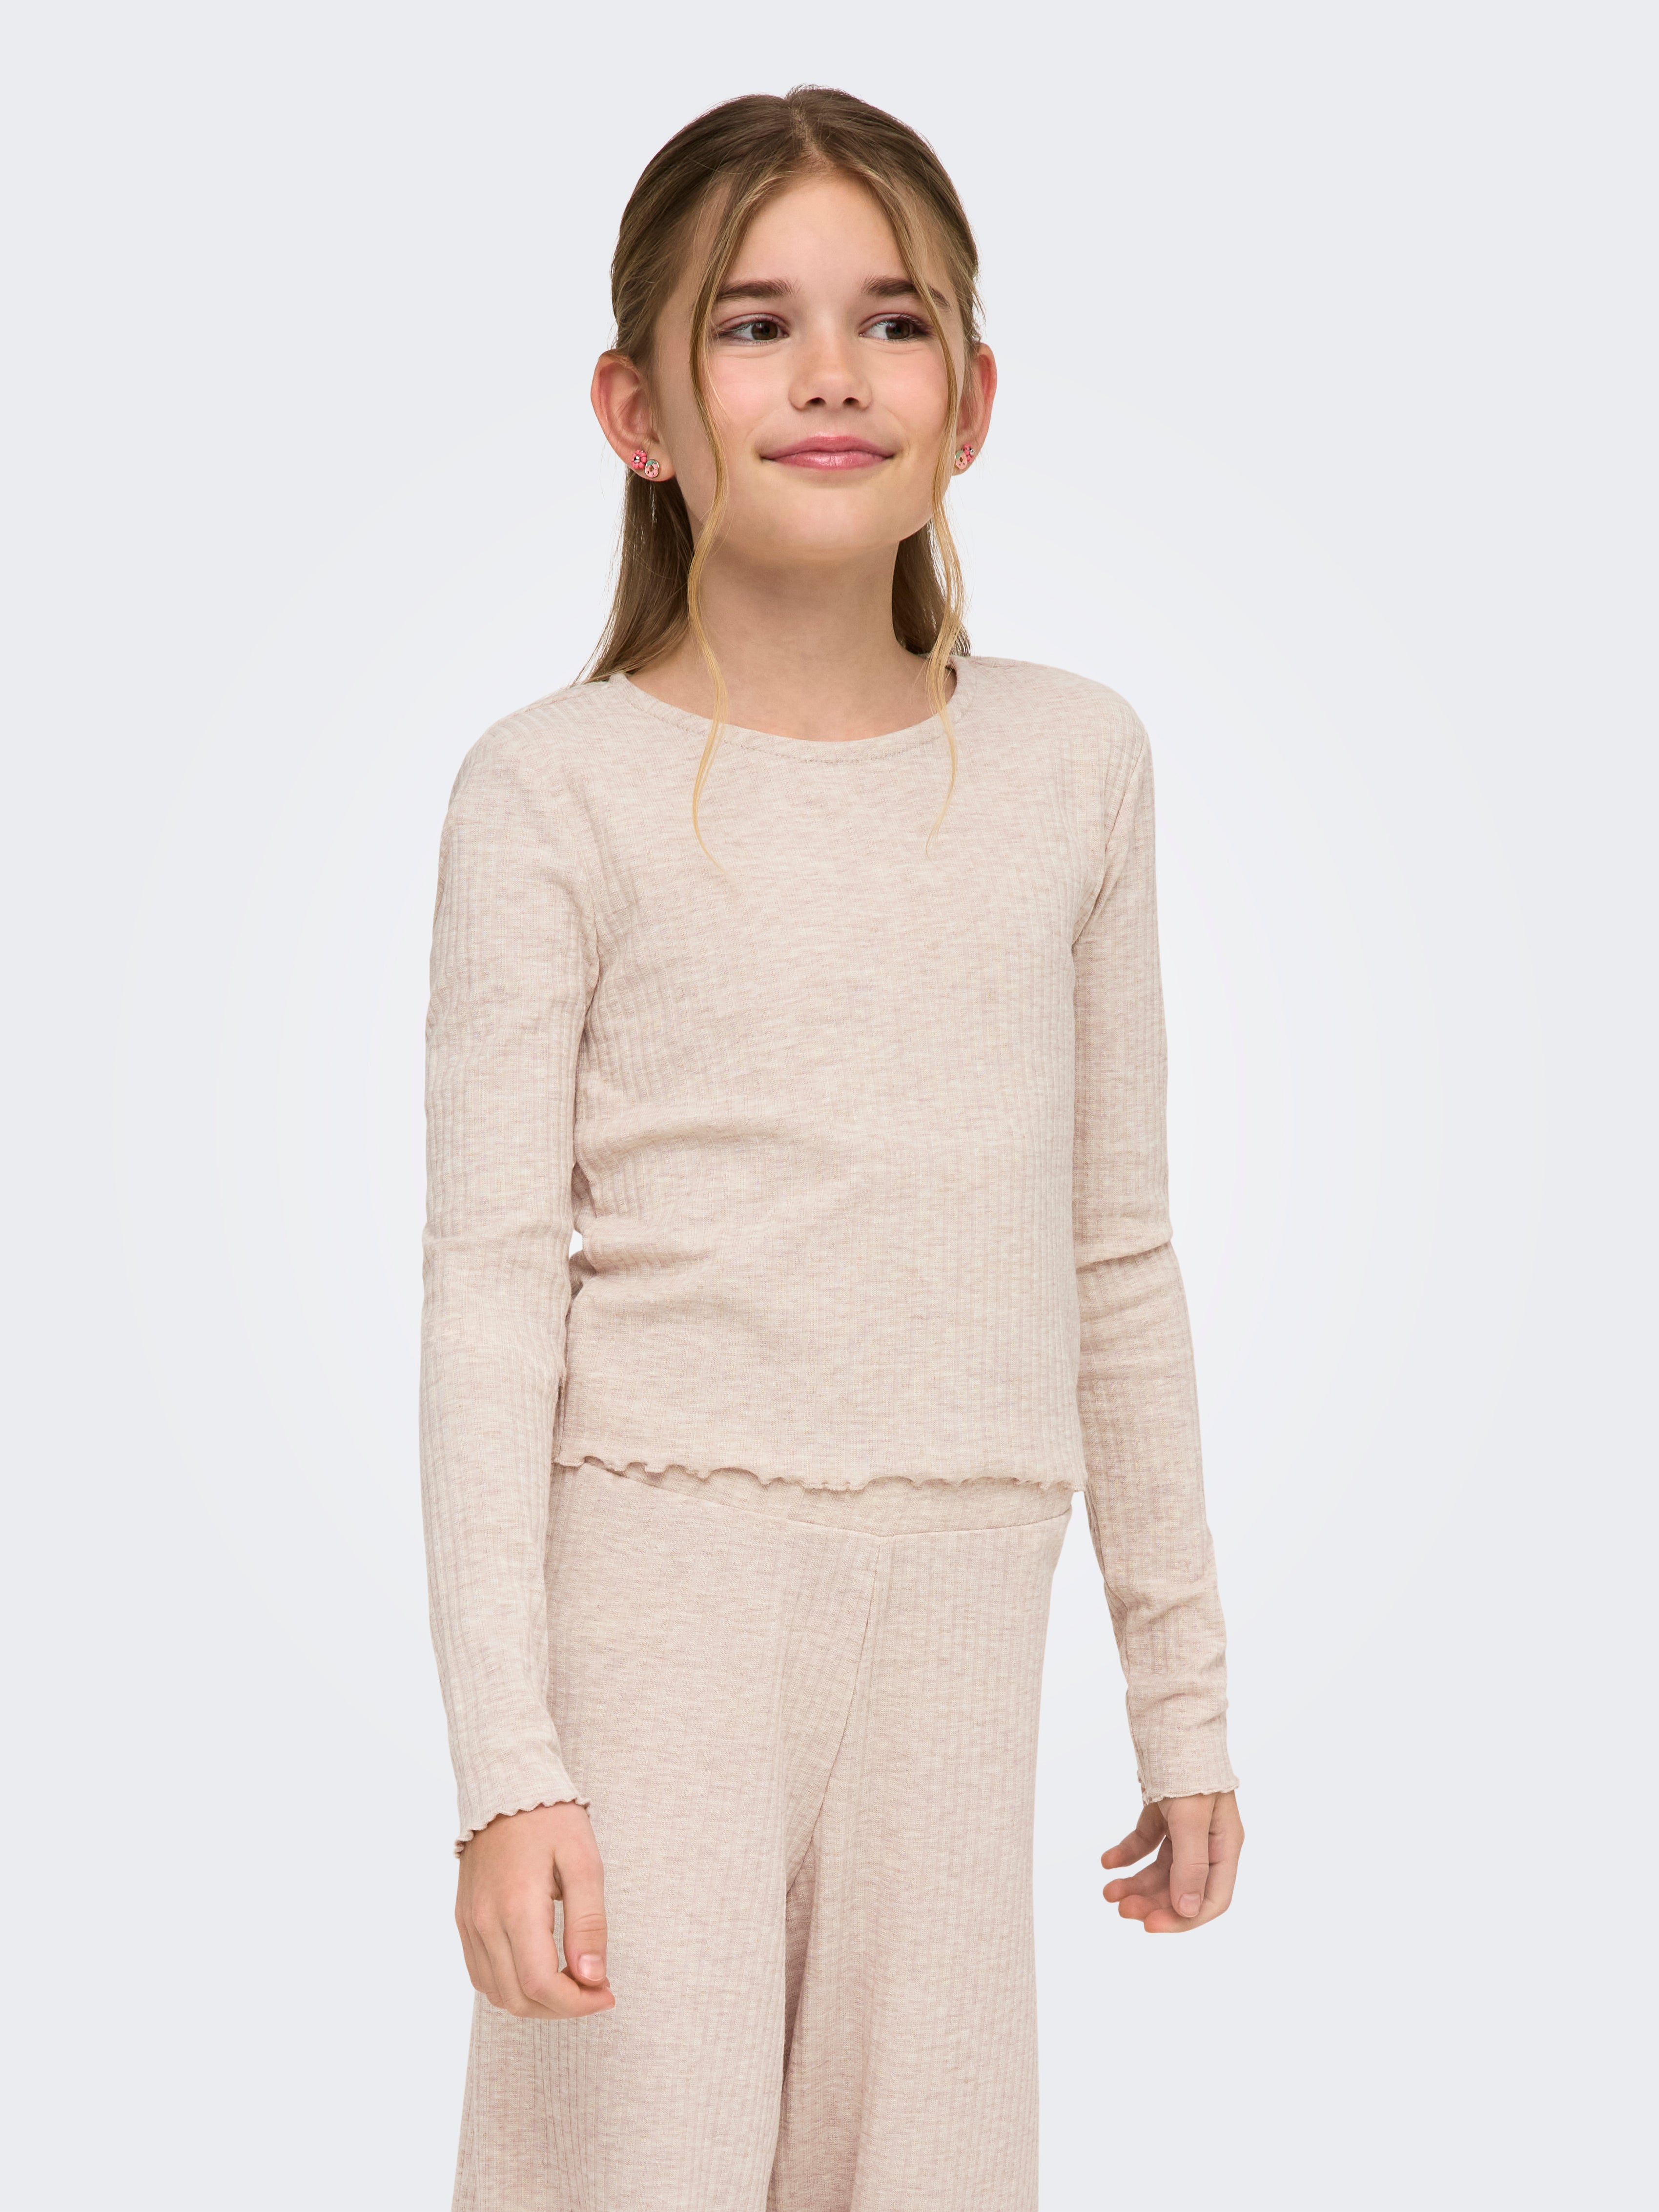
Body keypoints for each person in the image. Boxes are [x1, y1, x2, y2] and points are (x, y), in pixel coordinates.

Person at [420, 84, 1244, 2212]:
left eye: (890, 322)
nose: (828, 375)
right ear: (637, 407)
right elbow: (491, 1286)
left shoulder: (1074, 764)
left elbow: (1116, 1253)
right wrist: (508, 1769)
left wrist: (1184, 1703)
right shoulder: (553, 789)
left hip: (966, 1599)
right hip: (656, 1604)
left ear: (970, 399)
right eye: (753, 323)